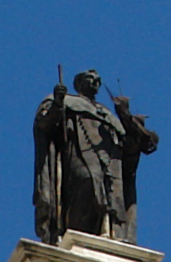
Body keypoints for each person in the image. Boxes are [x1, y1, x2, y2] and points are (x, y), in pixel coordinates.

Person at [33, 68, 158, 243]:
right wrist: (58, 103)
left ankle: (107, 235)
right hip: (79, 151)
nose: (95, 82)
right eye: (90, 78)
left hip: (110, 161)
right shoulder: (68, 101)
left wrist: (126, 117)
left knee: (112, 199)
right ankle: (75, 233)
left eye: (97, 80)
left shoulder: (107, 113)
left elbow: (130, 147)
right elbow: (45, 125)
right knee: (86, 182)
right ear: (78, 83)